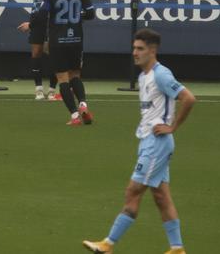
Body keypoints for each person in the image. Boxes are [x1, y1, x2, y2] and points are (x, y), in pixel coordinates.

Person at [83, 29, 196, 254]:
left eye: (140, 49)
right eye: (134, 48)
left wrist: (172, 126)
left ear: (152, 50)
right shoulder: (144, 76)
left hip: (157, 143)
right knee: (161, 196)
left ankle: (108, 244)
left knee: (133, 191)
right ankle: (177, 248)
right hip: (148, 142)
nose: (135, 53)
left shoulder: (161, 75)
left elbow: (189, 98)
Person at [17, 0, 86, 101]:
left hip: (57, 14)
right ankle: (38, 89)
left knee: (56, 51)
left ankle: (53, 89)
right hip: (39, 10)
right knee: (37, 50)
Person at [28, 0, 95, 125]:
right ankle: (83, 105)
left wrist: (30, 23)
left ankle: (74, 116)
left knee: (63, 79)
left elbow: (42, 13)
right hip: (77, 39)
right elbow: (90, 14)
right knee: (75, 76)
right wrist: (76, 16)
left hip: (58, 40)